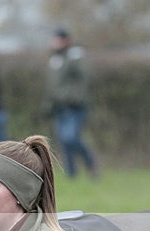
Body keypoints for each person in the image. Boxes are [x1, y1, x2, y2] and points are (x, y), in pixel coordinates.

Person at [43, 28, 99, 179]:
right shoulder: (55, 60)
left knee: (71, 138)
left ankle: (91, 163)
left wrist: (71, 56)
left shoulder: (75, 57)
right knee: (63, 141)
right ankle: (71, 174)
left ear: (66, 41)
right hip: (59, 107)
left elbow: (83, 77)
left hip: (75, 106)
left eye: (57, 40)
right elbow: (54, 86)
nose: (54, 43)